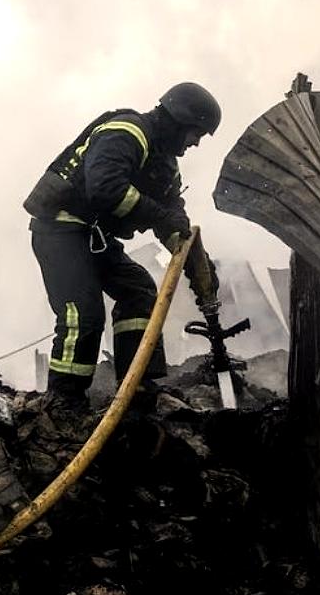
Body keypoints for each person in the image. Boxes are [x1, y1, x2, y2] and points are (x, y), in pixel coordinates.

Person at [24, 82, 221, 408]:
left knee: (139, 290)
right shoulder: (126, 131)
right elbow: (105, 188)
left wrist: (198, 265)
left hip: (93, 237)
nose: (196, 142)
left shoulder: (164, 165)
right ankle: (63, 401)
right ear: (178, 120)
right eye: (195, 132)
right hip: (59, 230)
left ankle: (138, 387)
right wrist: (161, 215)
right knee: (83, 314)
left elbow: (173, 224)